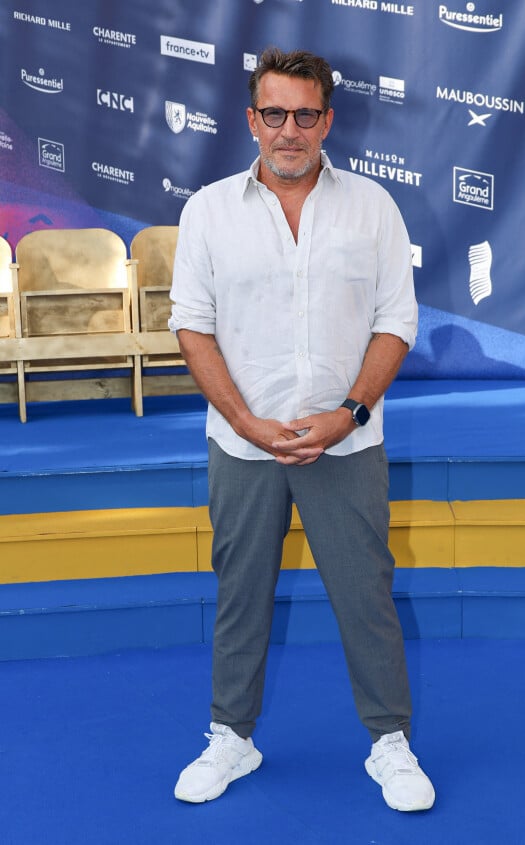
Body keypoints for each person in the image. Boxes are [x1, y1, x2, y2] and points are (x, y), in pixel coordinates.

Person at [168, 47, 435, 813]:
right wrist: (248, 422)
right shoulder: (208, 211)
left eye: (306, 114)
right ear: (252, 119)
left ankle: (389, 742)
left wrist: (348, 411)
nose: (290, 130)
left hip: (347, 441)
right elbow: (193, 327)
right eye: (275, 113)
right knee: (240, 593)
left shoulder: (373, 207)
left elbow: (396, 320)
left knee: (367, 596)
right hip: (241, 445)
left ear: (328, 120)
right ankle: (232, 736)